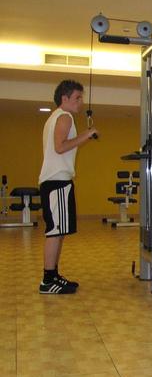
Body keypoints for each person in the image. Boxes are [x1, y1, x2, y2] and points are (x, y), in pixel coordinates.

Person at [38, 79, 98, 294]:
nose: (80, 102)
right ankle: (47, 281)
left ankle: (53, 275)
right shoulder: (64, 116)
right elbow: (60, 147)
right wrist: (86, 135)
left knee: (59, 231)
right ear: (64, 98)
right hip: (57, 181)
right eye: (77, 98)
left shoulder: (57, 117)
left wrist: (83, 136)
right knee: (55, 232)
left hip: (57, 181)